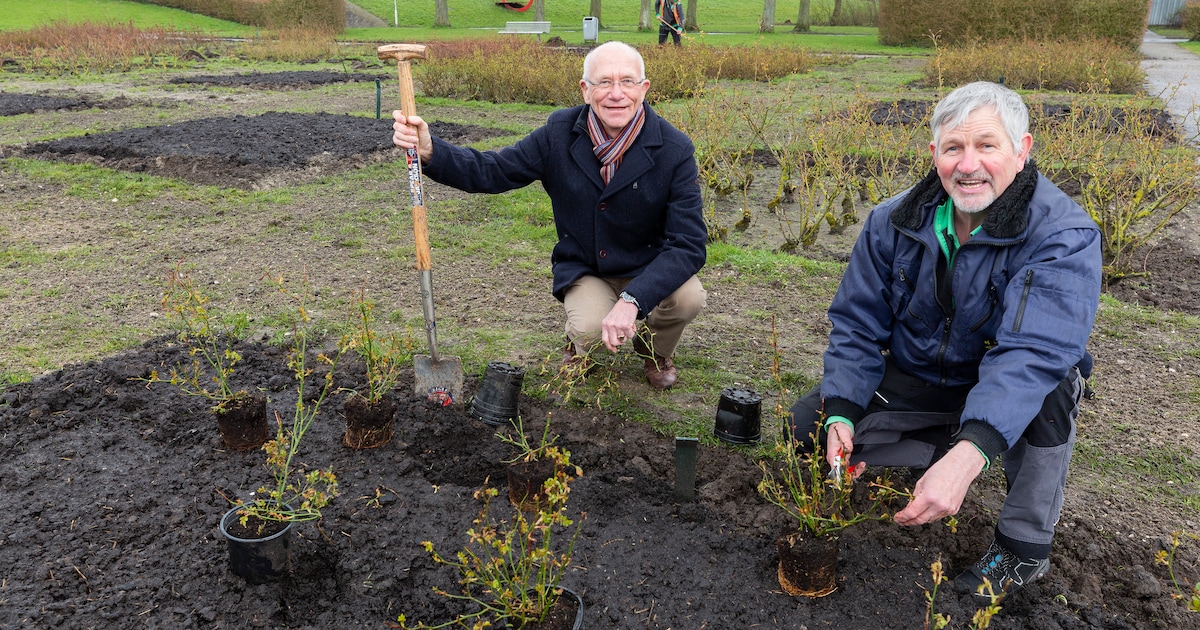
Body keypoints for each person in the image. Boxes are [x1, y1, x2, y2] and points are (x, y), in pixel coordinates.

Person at [786, 81, 1101, 600]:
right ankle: (932, 450)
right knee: (805, 429)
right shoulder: (893, 221)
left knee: (1053, 388)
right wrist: (841, 411)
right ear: (934, 154)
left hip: (1008, 388)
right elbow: (858, 324)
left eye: (986, 145)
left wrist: (970, 453)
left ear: (1021, 151)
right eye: (954, 147)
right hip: (921, 377)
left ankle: (1022, 551)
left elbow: (1034, 353)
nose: (968, 164)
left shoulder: (1063, 235)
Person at [392, 41, 707, 391]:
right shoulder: (559, 133)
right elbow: (494, 171)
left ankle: (654, 351)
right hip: (589, 267)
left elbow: (689, 244)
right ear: (585, 91)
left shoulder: (674, 149)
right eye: (604, 82)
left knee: (688, 297)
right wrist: (432, 150)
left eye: (628, 82)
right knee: (588, 327)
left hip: (649, 266)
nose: (616, 94)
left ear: (644, 89)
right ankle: (577, 343)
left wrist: (633, 301)